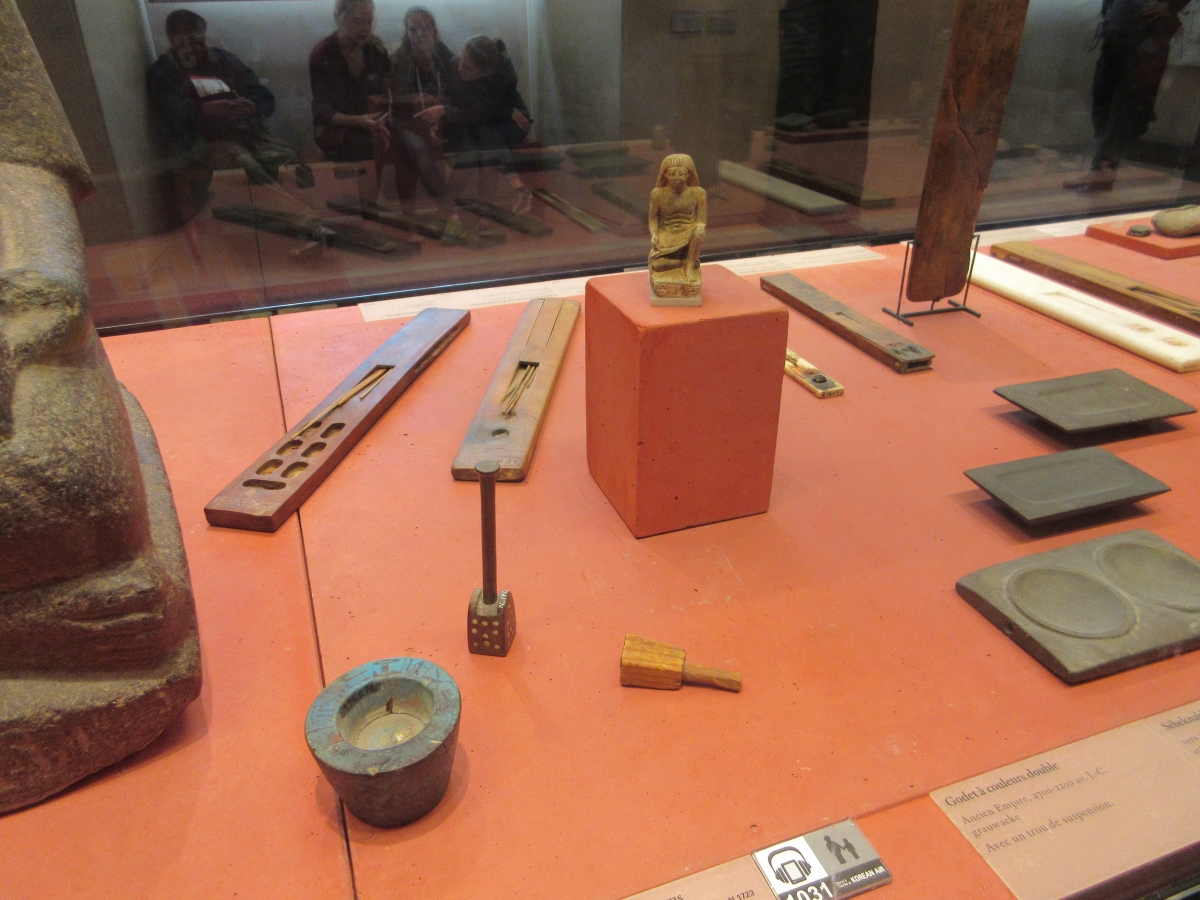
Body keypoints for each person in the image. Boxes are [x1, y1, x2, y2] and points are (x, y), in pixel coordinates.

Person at [146, 9, 302, 185]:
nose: (198, 48)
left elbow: (263, 95)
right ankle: (273, 205)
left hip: (245, 132)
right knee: (244, 166)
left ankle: (277, 205)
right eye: (190, 42)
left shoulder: (223, 59)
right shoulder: (163, 72)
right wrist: (208, 109)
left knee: (289, 156)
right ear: (172, 39)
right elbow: (173, 117)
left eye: (201, 41)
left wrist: (252, 106)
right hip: (203, 140)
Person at [1066, 0, 1194, 192]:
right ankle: (1102, 167)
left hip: (1146, 32)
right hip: (1119, 28)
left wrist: (1171, 7)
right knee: (1104, 98)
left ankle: (1104, 167)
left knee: (1129, 101)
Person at [414, 35, 532, 207]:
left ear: (487, 72)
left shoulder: (503, 76)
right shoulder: (456, 64)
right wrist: (439, 119)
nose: (460, 67)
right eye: (461, 58)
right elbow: (458, 104)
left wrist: (445, 112)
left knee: (484, 134)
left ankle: (473, 206)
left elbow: (483, 112)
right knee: (475, 140)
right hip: (478, 119)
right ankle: (513, 188)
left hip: (509, 122)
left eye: (468, 68)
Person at [309, 0, 391, 162]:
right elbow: (322, 109)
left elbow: (386, 96)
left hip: (374, 125)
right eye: (357, 21)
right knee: (370, 146)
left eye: (369, 21)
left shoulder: (376, 52)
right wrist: (359, 121)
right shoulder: (322, 53)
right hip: (337, 130)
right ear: (340, 17)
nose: (365, 29)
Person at [385, 7, 454, 200]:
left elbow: (456, 91)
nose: (419, 35)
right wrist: (414, 99)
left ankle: (461, 207)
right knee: (419, 150)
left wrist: (439, 115)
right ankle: (446, 209)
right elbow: (396, 101)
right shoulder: (398, 59)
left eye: (425, 29)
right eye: (413, 30)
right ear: (406, 34)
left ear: (434, 30)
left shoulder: (444, 54)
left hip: (441, 117)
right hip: (408, 121)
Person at [648, 153, 707, 298]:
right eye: (672, 173)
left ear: (689, 175)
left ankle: (688, 266)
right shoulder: (657, 194)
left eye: (682, 174)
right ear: (665, 175)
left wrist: (699, 227)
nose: (677, 178)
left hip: (689, 233)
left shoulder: (698, 193)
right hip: (667, 236)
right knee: (656, 265)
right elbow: (653, 220)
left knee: (699, 231)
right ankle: (684, 261)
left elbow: (701, 221)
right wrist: (654, 235)